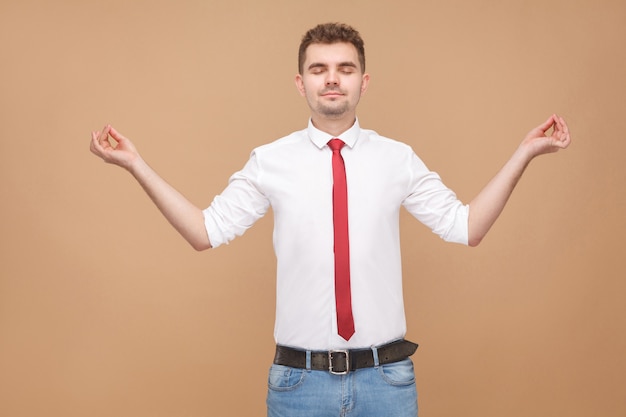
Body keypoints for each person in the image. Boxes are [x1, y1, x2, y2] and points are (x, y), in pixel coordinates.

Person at [90, 22, 571, 417]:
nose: (333, 79)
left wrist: (524, 153)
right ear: (301, 83)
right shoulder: (269, 160)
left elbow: (467, 227)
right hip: (299, 385)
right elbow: (204, 231)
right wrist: (136, 165)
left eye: (345, 68)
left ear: (364, 80)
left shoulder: (398, 159)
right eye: (319, 69)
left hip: (387, 382)